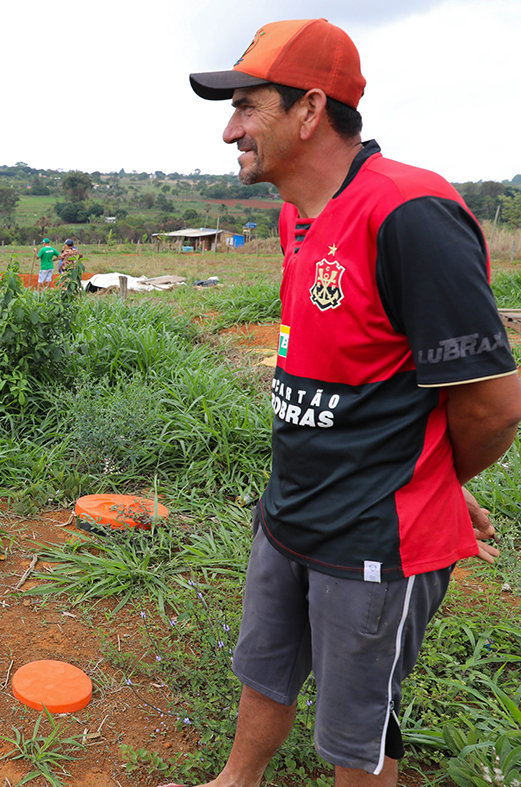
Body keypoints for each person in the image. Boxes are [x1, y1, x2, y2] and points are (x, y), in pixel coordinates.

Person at [177, 18, 521, 787]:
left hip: (373, 535)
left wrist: (435, 484)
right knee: (262, 664)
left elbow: (494, 403)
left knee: (356, 724)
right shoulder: (296, 216)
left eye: (247, 107)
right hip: (290, 509)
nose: (230, 128)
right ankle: (233, 781)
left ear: (308, 109)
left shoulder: (408, 212)